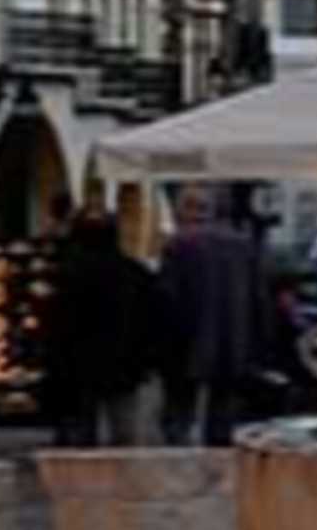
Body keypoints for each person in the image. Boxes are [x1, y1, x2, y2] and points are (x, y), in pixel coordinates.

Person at [39, 204, 168, 446]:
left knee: (81, 433)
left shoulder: (68, 274)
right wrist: (149, 360)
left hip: (77, 367)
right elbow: (154, 320)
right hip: (125, 366)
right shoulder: (135, 273)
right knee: (124, 430)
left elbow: (57, 324)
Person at [157, 186, 264, 445]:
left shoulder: (179, 245)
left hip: (185, 342)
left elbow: (166, 300)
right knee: (223, 414)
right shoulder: (244, 245)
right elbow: (259, 299)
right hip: (233, 342)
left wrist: (157, 346)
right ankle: (217, 458)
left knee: (179, 409)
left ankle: (178, 453)